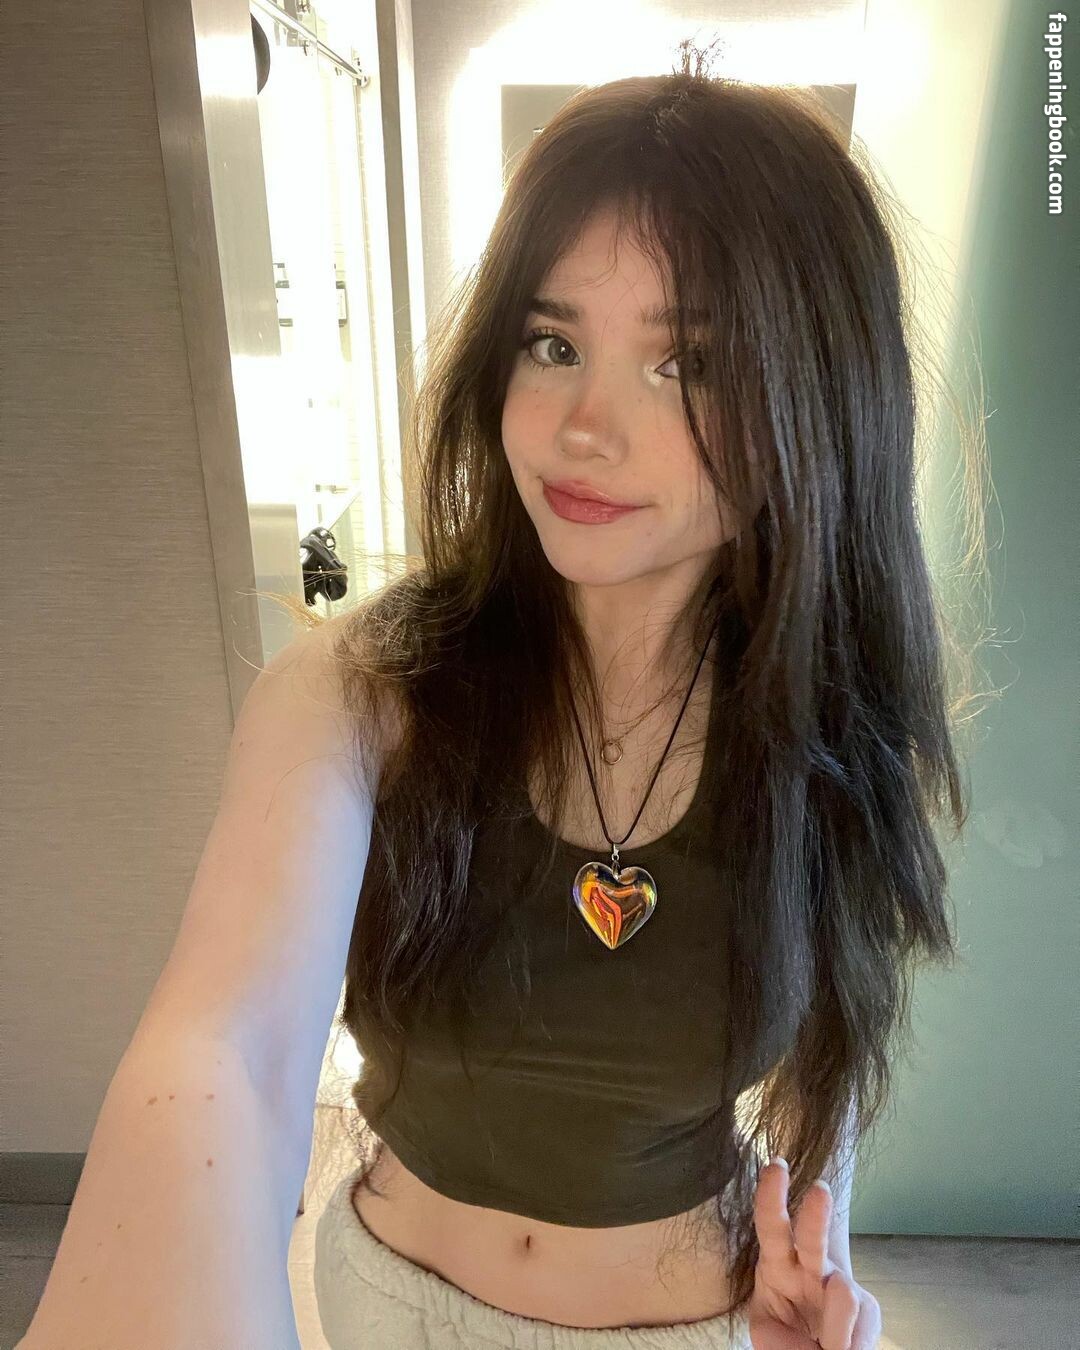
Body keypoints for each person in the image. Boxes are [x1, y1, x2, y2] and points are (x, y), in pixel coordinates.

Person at [286, 39, 989, 1350]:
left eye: (688, 365)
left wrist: (823, 1261)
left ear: (815, 403)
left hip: (681, 1325)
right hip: (383, 1295)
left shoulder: (825, 732)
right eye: (553, 341)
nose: (584, 429)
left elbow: (832, 1051)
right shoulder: (377, 687)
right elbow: (225, 1046)